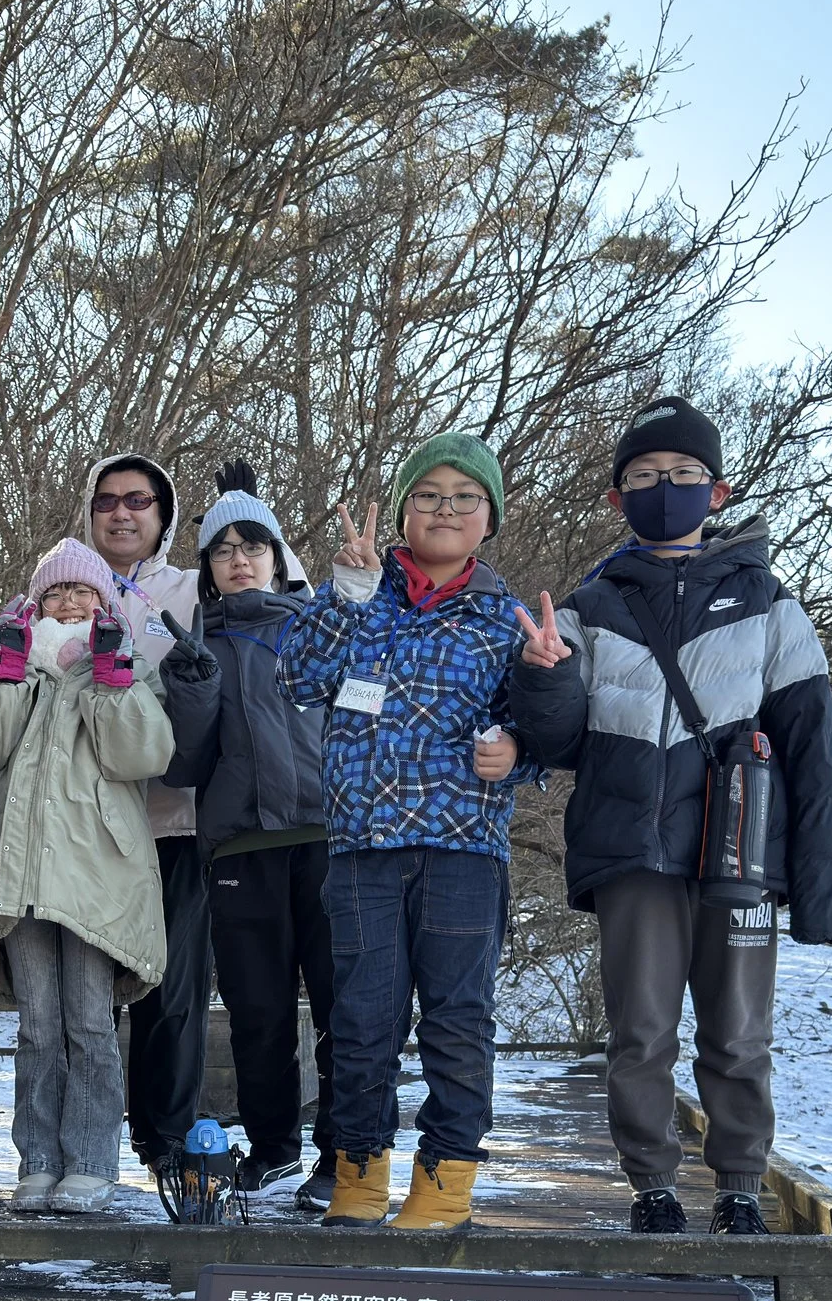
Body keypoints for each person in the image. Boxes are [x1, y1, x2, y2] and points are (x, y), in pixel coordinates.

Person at [511, 395, 832, 1236]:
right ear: (616, 499)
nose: (664, 488)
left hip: (740, 852)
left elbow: (815, 750)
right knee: (640, 1035)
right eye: (644, 478)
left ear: (720, 491)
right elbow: (556, 742)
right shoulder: (591, 607)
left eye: (683, 475)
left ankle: (739, 1184)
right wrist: (547, 673)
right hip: (631, 854)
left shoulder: (769, 604)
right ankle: (652, 1188)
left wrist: (822, 892)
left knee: (738, 1036)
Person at [280, 434, 536, 1231]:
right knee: (362, 1020)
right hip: (362, 850)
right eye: (429, 494)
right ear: (402, 511)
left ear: (488, 517)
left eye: (465, 496)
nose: (446, 508)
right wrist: (343, 593)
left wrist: (517, 754)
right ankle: (358, 1176)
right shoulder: (361, 596)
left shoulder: (508, 617)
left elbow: (544, 730)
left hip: (465, 850)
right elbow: (295, 676)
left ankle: (446, 1181)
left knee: (459, 1023)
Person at [0, 539, 176, 1215]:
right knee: (38, 1023)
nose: (69, 603)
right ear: (37, 602)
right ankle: (38, 1158)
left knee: (89, 1018)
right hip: (17, 871)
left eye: (83, 593)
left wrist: (112, 680)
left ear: (104, 603)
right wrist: (6, 670)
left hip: (98, 874)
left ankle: (93, 1160)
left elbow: (144, 753)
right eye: (56, 593)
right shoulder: (6, 663)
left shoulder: (128, 665)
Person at [172, 461, 338, 1209]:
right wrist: (194, 682)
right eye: (223, 548)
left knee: (346, 1007)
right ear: (206, 568)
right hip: (238, 848)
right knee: (259, 1012)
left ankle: (348, 1151)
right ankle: (273, 1146)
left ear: (277, 556)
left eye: (254, 544)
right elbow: (182, 762)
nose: (240, 558)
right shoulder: (191, 641)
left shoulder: (318, 626)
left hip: (330, 840)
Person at [76, 453, 219, 1186]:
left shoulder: (195, 589)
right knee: (86, 993)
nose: (121, 513)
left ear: (163, 515)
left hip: (173, 823)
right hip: (88, 828)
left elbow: (280, 591)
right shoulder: (64, 588)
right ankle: (81, 1146)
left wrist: (244, 517)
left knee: (173, 989)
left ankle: (164, 1139)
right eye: (107, 501)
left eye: (138, 500)